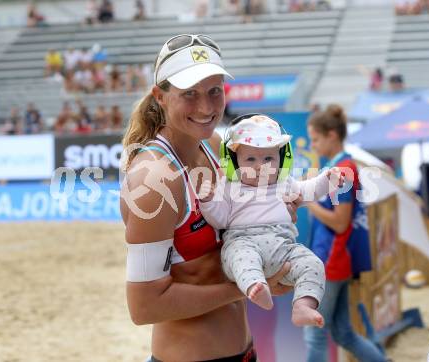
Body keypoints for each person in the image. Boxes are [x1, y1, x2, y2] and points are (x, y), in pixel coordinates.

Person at [121, 34, 298, 361]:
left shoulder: (215, 146)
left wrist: (270, 213)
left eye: (214, 91)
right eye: (190, 93)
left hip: (243, 351)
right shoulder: (154, 178)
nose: (206, 107)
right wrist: (249, 288)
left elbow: (233, 232)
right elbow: (145, 306)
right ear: (160, 96)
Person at [198, 114, 345, 327]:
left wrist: (327, 180)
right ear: (234, 161)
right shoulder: (229, 188)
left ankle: (303, 305)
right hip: (243, 241)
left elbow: (308, 190)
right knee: (242, 259)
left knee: (313, 264)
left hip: (284, 247)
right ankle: (255, 287)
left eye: (268, 159)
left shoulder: (285, 183)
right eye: (250, 159)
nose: (260, 167)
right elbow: (220, 219)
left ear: (282, 158)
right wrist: (209, 202)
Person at [303, 104, 388, 362]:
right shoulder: (340, 166)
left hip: (332, 260)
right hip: (335, 259)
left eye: (315, 139)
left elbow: (340, 223)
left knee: (314, 333)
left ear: (332, 135)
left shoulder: (343, 169)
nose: (313, 145)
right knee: (343, 333)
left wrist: (309, 202)